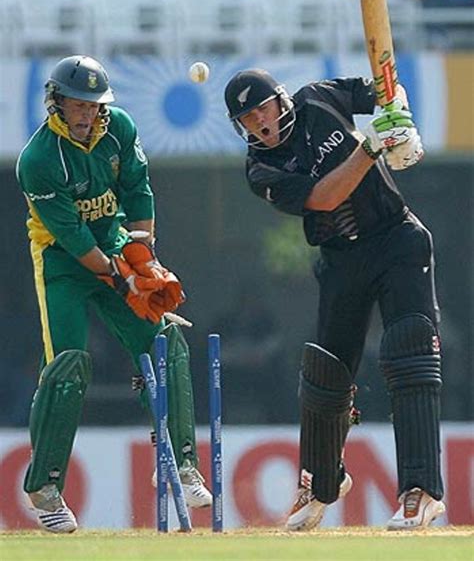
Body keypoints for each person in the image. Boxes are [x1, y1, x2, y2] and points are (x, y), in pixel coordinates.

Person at [224, 69, 445, 531]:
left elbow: (388, 88)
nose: (259, 123)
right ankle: (321, 483)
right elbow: (325, 198)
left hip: (396, 239)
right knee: (326, 376)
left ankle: (419, 491)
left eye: (262, 108)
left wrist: (396, 115)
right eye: (247, 118)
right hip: (341, 256)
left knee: (408, 354)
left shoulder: (321, 99)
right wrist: (371, 146)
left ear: (281, 100)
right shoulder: (261, 169)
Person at [16, 55, 211, 533]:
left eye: (93, 104)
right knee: (68, 364)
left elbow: (138, 190)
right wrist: (120, 279)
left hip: (115, 245)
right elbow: (73, 236)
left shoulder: (118, 127)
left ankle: (179, 463)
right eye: (77, 104)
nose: (86, 114)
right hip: (63, 261)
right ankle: (45, 485)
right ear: (57, 102)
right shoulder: (38, 160)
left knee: (165, 340)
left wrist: (143, 258)